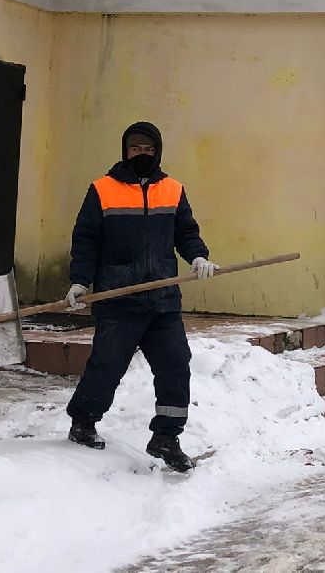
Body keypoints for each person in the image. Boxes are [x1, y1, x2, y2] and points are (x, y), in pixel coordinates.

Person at [64, 122, 218, 473]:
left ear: (157, 151)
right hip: (118, 299)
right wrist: (79, 282)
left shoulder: (173, 190)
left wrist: (198, 256)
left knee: (176, 365)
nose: (142, 154)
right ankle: (83, 421)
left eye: (148, 149)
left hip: (163, 299)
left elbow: (186, 232)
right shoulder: (102, 190)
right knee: (107, 366)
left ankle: (166, 436)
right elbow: (86, 239)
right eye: (135, 148)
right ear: (125, 150)